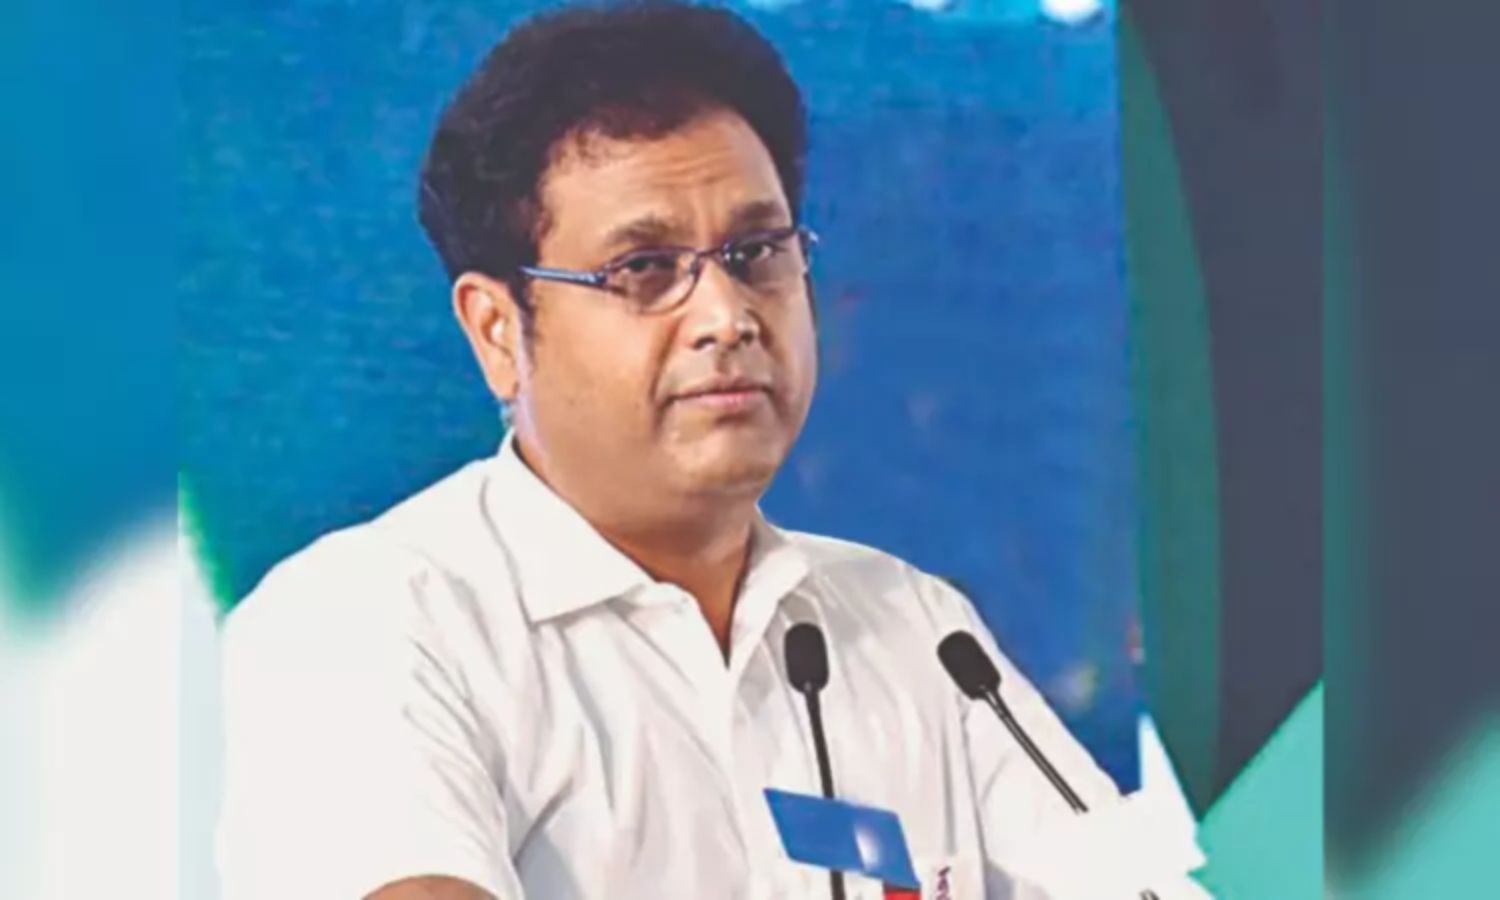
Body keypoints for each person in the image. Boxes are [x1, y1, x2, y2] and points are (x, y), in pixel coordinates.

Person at [217, 3, 1206, 898]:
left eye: (755, 253)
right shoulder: (367, 622)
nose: (727, 315)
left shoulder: (916, 631)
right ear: (497, 331)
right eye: (645, 268)